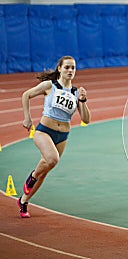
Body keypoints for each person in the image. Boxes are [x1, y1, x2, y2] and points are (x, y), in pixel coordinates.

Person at [19, 56, 90, 218]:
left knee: (46, 170)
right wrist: (27, 118)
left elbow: (86, 119)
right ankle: (33, 176)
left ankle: (23, 201)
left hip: (63, 135)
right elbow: (26, 95)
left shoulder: (75, 92)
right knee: (52, 159)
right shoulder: (49, 86)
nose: (70, 71)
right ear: (59, 69)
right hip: (44, 131)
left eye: (73, 68)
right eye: (67, 68)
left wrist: (83, 100)